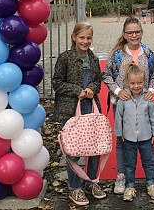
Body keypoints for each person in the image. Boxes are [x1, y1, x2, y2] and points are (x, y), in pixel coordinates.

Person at [102, 16, 154, 194]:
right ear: (124, 34)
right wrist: (119, 91)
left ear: (142, 32)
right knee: (122, 139)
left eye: (137, 32)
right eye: (130, 32)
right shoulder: (118, 54)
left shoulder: (148, 54)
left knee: (148, 139)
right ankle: (122, 176)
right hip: (122, 103)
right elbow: (106, 75)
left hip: (144, 103)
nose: (134, 35)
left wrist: (151, 89)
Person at [53, 22, 107, 206]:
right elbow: (57, 83)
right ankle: (75, 188)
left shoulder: (93, 58)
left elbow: (98, 81)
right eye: (82, 37)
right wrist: (77, 90)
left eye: (88, 38)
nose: (85, 41)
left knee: (94, 148)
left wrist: (91, 88)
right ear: (74, 37)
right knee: (73, 150)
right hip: (70, 110)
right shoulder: (65, 58)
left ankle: (91, 181)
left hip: (90, 109)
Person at [114, 61, 154, 201]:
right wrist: (120, 133)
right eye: (133, 83)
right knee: (129, 164)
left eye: (140, 83)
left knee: (148, 162)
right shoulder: (124, 99)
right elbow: (119, 117)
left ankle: (151, 184)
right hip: (129, 138)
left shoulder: (148, 98)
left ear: (144, 82)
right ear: (128, 83)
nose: (136, 86)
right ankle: (130, 186)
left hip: (146, 137)